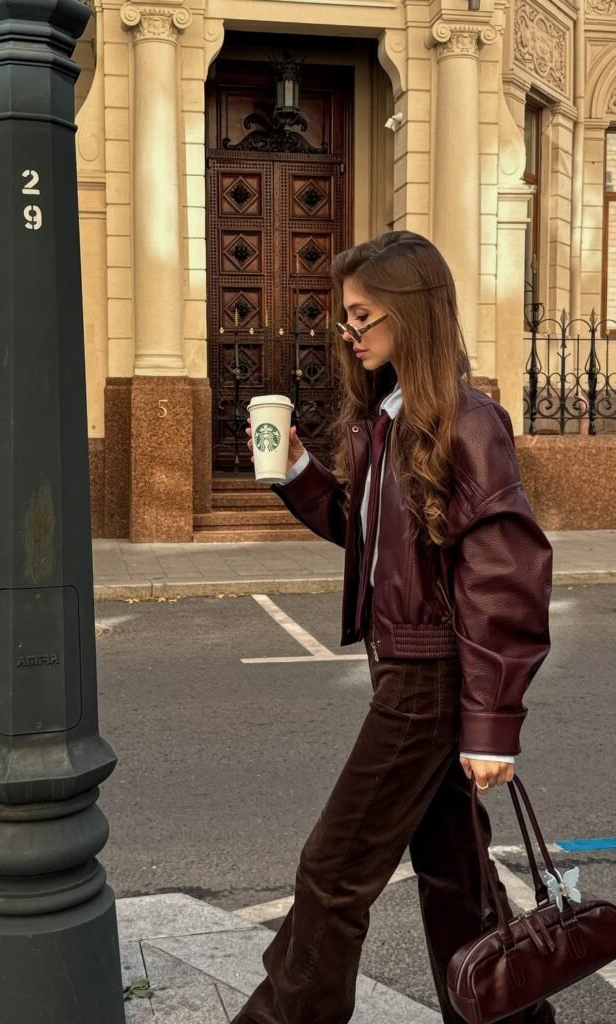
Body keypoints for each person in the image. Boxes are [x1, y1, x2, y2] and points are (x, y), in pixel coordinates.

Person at [235, 231, 556, 1024]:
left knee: (331, 870)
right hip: (405, 667)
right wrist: (303, 475)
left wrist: (491, 724)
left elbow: (502, 573)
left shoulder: (466, 421)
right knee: (455, 870)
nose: (348, 335)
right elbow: (373, 539)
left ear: (410, 315)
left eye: (361, 317)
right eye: (343, 320)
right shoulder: (386, 419)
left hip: (427, 677)